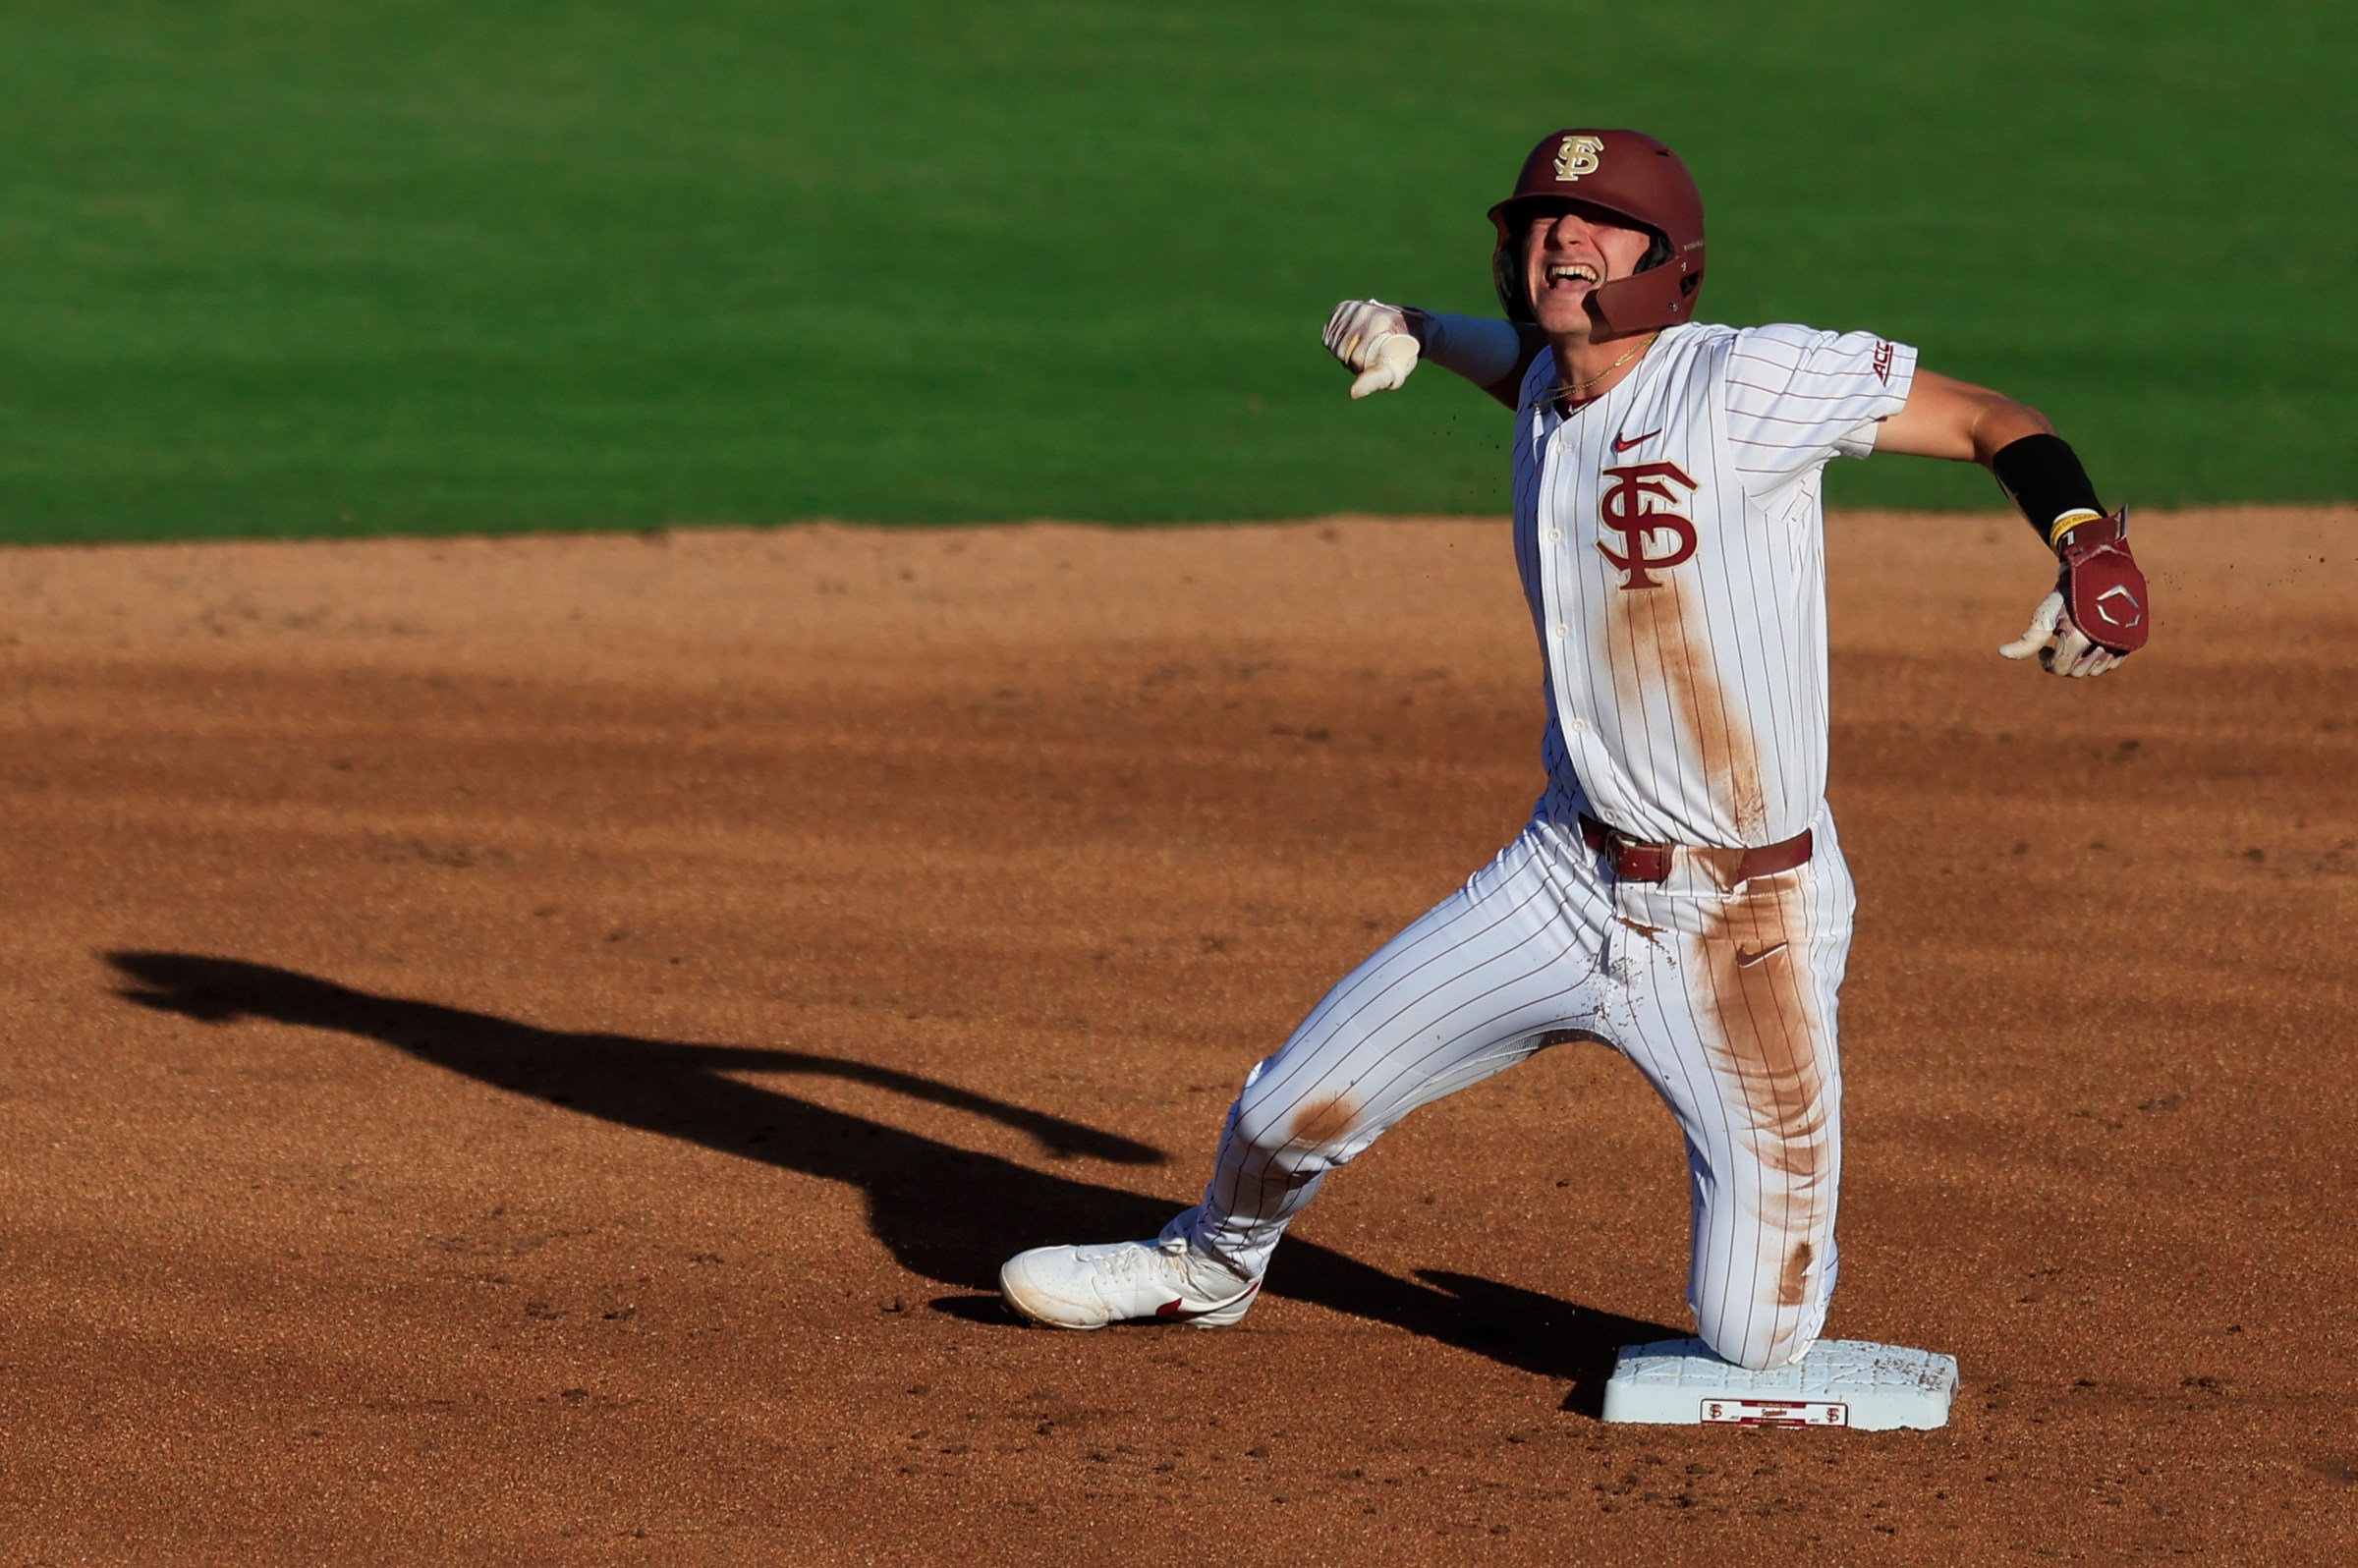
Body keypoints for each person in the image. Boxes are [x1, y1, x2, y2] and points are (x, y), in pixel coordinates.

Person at [997, 129, 2148, 1370]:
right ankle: (1207, 1269)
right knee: (1284, 1113)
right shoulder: (1555, 386)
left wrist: (2085, 539)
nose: (1564, 237)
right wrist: (1415, 326)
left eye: (1600, 223)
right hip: (1563, 879)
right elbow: (1521, 366)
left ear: (1669, 258)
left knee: (1756, 1339)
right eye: (1544, 219)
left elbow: (1989, 418)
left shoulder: (1750, 382)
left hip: (1745, 925)